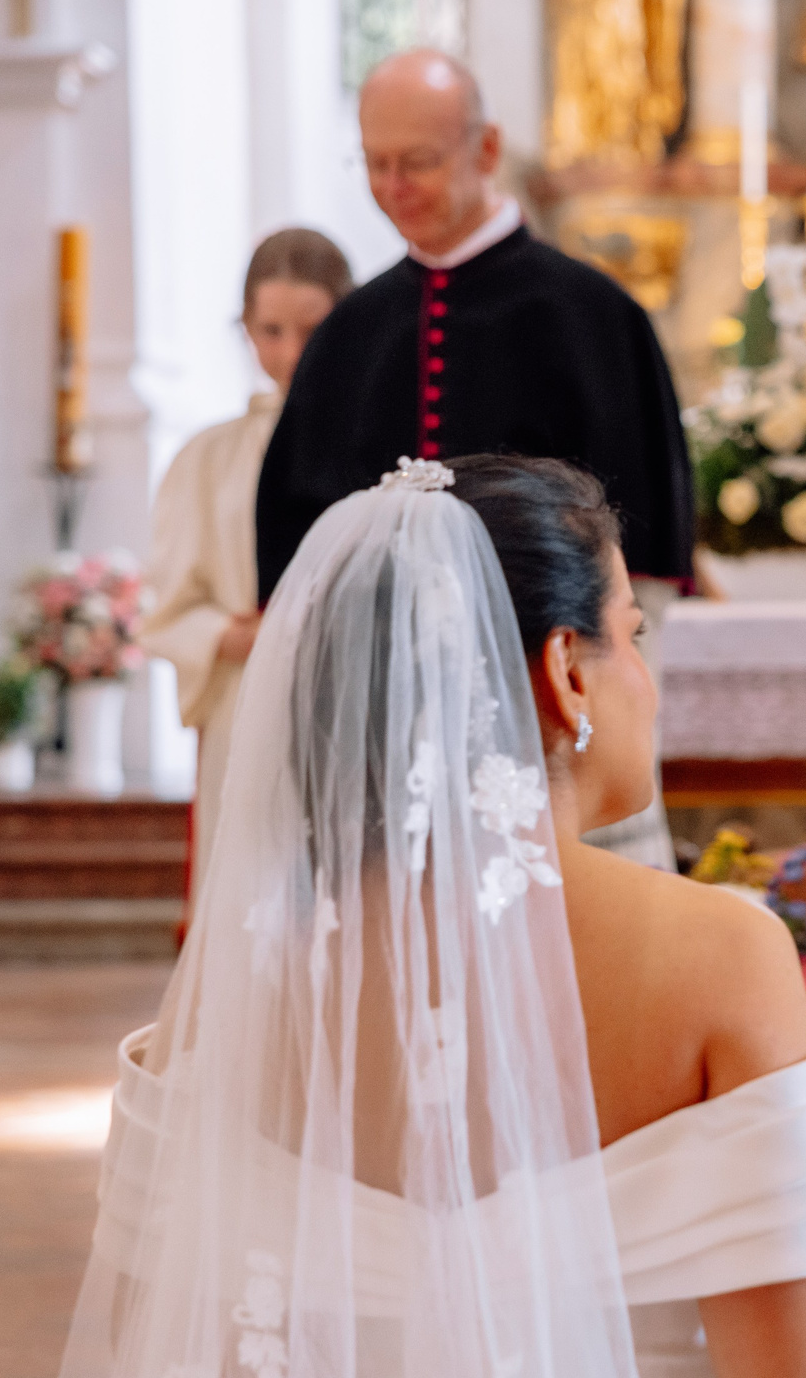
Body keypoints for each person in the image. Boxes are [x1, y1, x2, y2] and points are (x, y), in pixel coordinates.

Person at [11, 455, 806, 1378]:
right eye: (633, 634)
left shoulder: (241, 980)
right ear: (564, 672)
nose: (645, 672)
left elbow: (180, 1369)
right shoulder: (713, 952)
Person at [254, 48, 694, 870]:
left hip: (553, 709)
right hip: (385, 724)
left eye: (416, 161)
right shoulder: (350, 334)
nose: (394, 186)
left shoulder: (596, 317)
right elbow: (297, 552)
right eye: (376, 163)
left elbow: (645, 573)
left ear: (485, 151)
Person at [144, 227, 353, 889]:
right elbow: (171, 607)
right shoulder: (206, 459)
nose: (290, 353)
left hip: (352, 696)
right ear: (245, 329)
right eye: (269, 331)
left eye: (310, 328)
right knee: (251, 900)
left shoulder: (374, 444)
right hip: (246, 697)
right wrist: (231, 634)